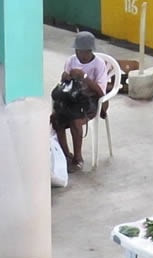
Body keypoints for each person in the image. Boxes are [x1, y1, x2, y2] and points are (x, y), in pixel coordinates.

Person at [51, 31, 108, 172]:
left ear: (88, 51)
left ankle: (78, 158)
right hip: (72, 99)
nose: (77, 53)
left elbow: (101, 93)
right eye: (76, 50)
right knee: (55, 118)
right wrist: (65, 77)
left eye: (80, 51)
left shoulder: (99, 65)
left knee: (75, 121)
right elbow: (66, 87)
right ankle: (66, 155)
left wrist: (85, 77)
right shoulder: (71, 61)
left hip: (90, 101)